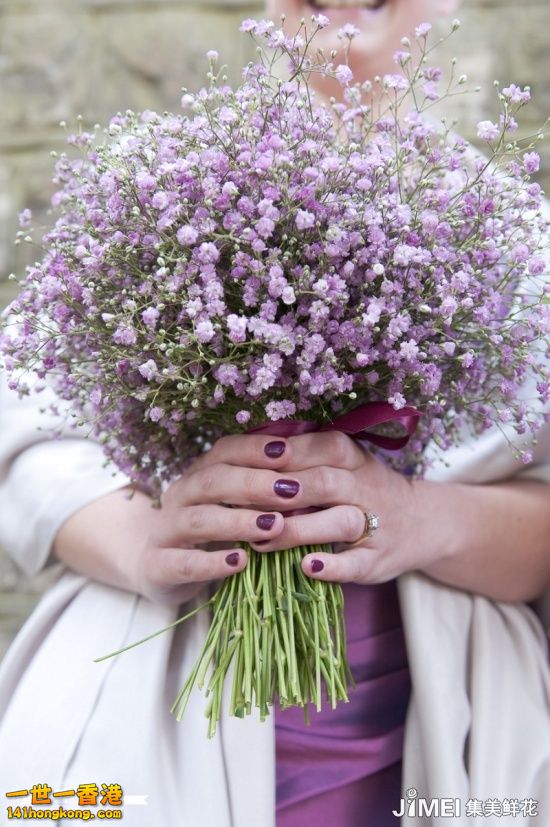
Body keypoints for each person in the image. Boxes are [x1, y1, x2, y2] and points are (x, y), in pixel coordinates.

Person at [0, 1, 549, 825]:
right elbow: (29, 438)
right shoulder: (159, 193)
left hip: (447, 723)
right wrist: (145, 539)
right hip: (150, 703)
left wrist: (419, 517)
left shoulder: (518, 243)